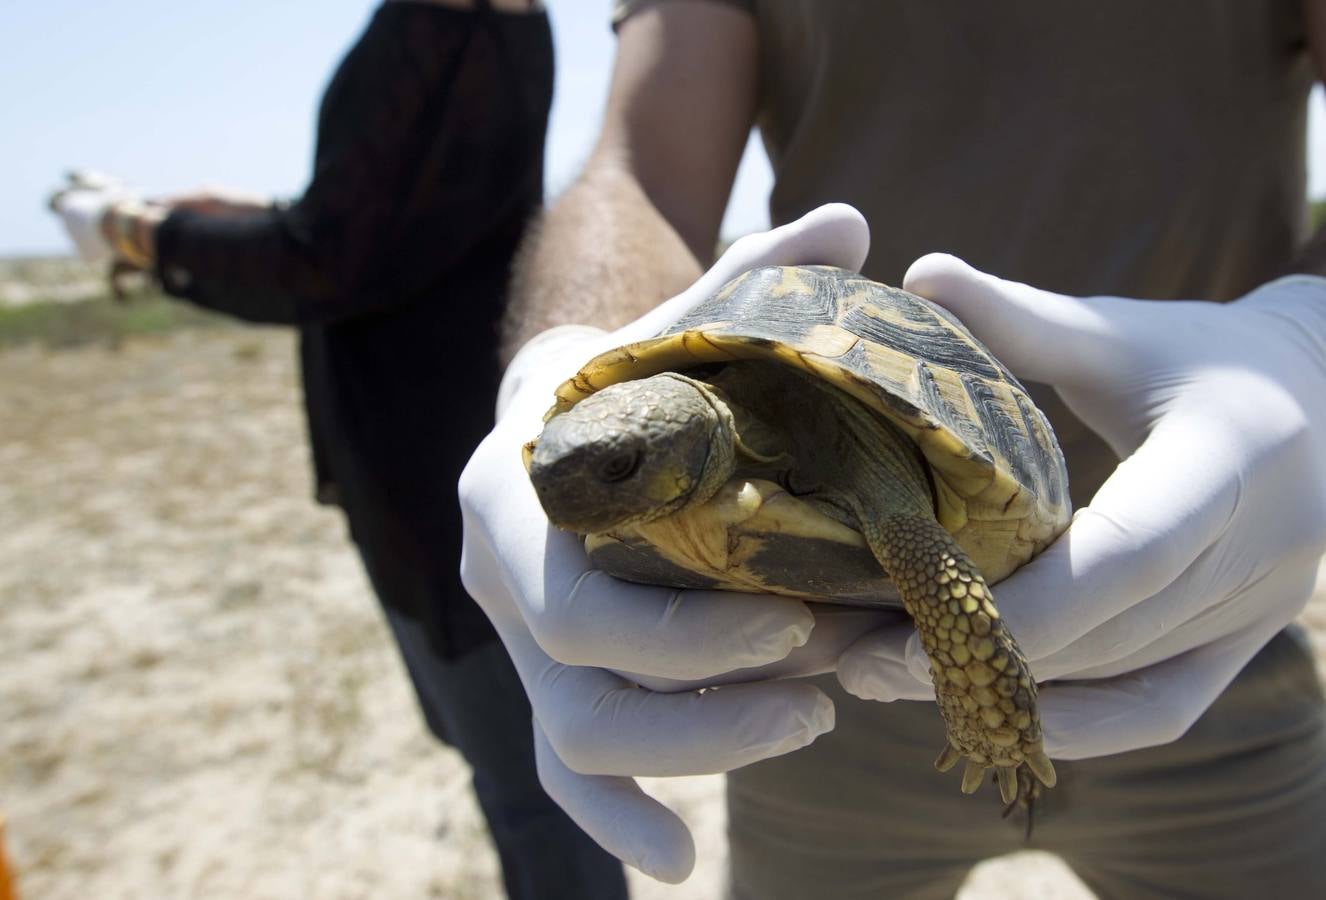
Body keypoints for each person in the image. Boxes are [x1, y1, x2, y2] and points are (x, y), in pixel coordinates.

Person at [458, 2, 1326, 898]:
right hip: (811, 693)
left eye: (617, 469)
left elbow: (918, 544)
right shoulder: (674, 450)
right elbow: (640, 168)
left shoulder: (852, 455)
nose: (571, 485)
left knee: (912, 533)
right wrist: (561, 352)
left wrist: (1311, 340)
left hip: (1224, 600)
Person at [48, 2, 628, 897]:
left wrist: (139, 233)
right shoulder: (497, 21)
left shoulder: (441, 24)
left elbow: (327, 261)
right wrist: (232, 216)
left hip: (437, 486)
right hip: (433, 469)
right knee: (530, 784)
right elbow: (391, 222)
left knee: (539, 799)